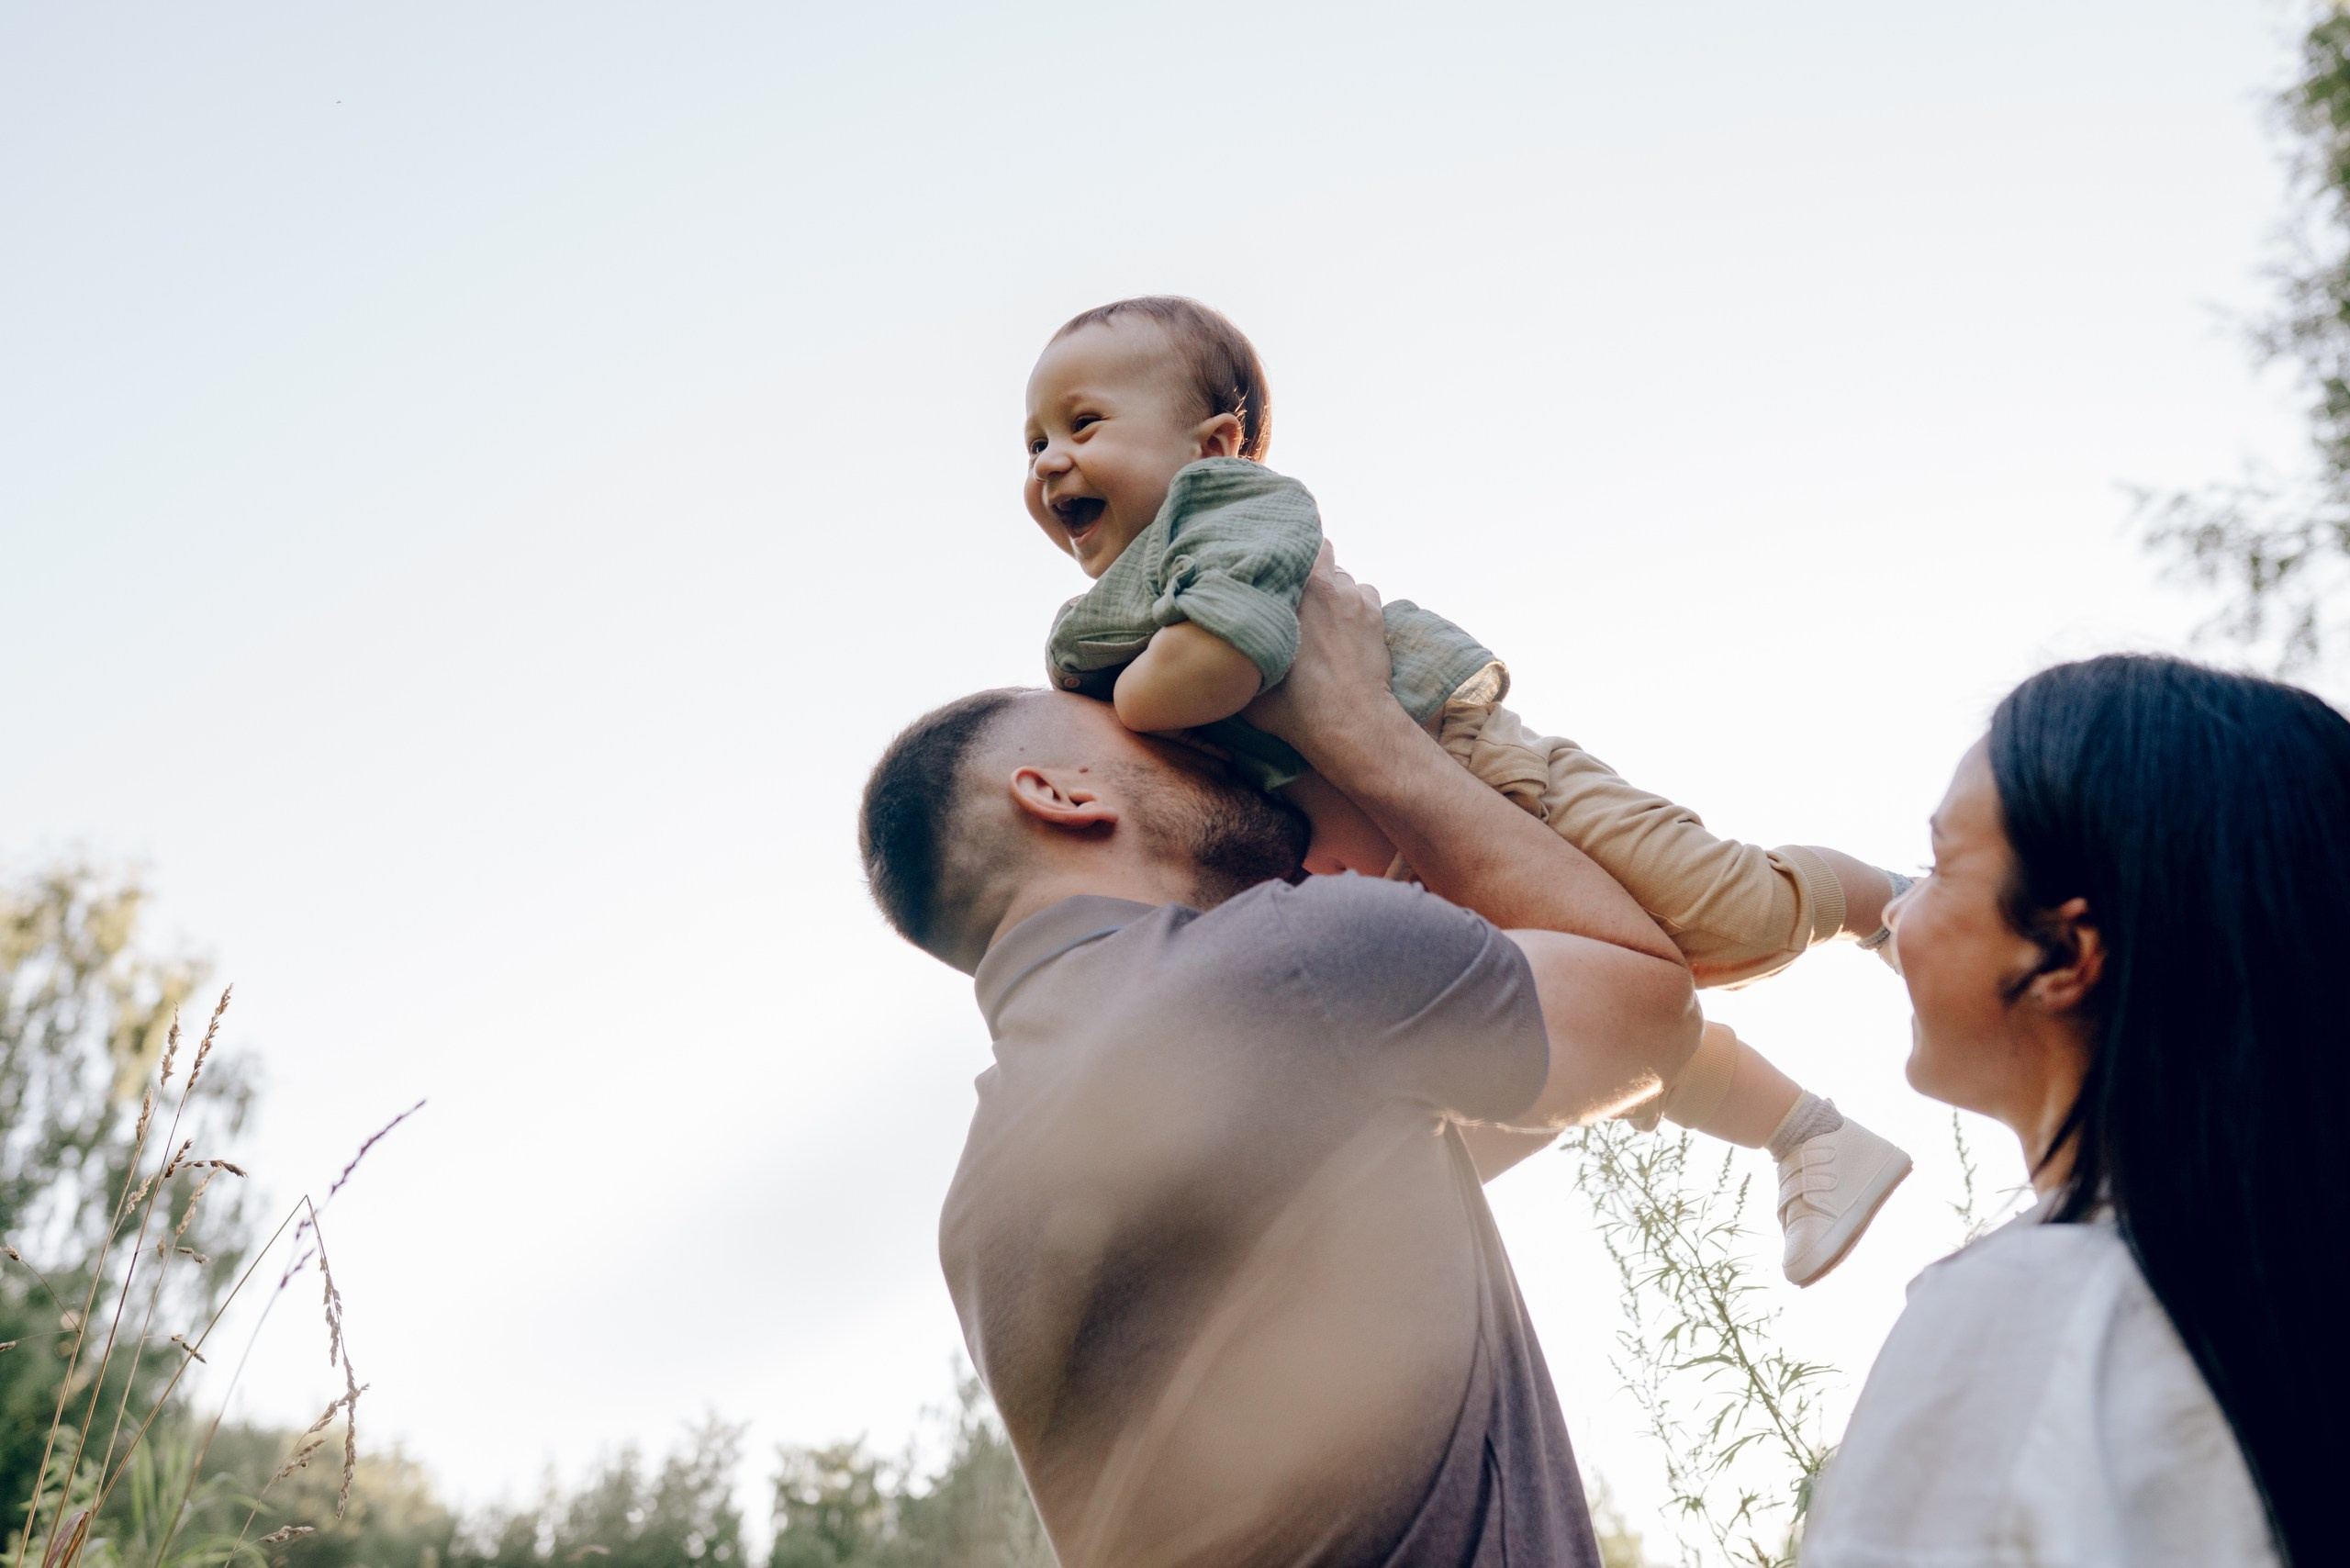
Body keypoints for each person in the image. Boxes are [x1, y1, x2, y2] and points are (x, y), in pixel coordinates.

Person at [1024, 293, 1908, 1283]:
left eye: (1083, 424)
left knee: (1730, 913)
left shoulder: (1231, 511)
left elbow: (1228, 652)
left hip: (1488, 770)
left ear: (1216, 445)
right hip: (1397, 870)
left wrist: (1133, 692)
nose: (1049, 461)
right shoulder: (1095, 625)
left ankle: (1890, 907)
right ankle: (1811, 1138)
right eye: (1035, 442)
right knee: (1603, 1025)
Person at [859, 553, 1698, 1566]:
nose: (1210, 749)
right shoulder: (1294, 961)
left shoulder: (977, 1210)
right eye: (1150, 735)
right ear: (1059, 793)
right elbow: (1650, 1012)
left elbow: (1408, 1159)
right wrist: (1360, 727)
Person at [1801, 655, 2350, 1568]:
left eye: (1937, 867)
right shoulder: (2288, 1318)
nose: (1896, 917)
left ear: (2064, 952)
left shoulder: (2032, 1312)